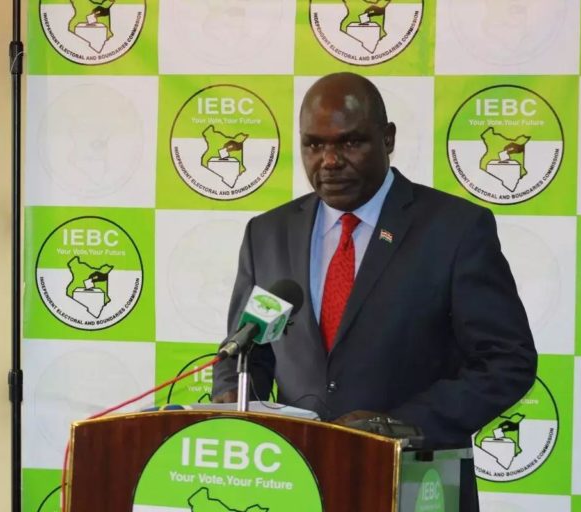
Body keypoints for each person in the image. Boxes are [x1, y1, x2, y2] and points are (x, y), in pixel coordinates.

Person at [212, 72, 537, 511]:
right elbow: (247, 350)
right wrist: (233, 402)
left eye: (350, 143)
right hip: (294, 482)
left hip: (416, 483)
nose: (329, 160)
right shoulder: (268, 234)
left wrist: (402, 425)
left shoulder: (455, 230)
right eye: (313, 145)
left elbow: (506, 361)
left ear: (388, 139)